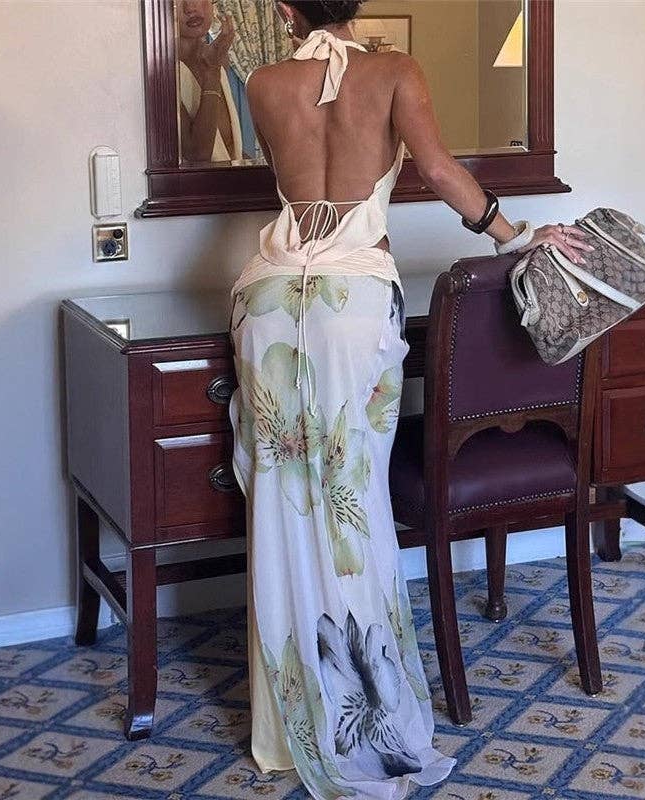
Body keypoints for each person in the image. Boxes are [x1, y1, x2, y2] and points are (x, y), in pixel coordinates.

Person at [227, 2, 593, 798]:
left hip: (268, 299)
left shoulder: (262, 82)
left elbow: (300, 183)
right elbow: (440, 170)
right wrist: (518, 236)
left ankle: (289, 721)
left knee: (285, 498)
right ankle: (364, 709)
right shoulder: (393, 69)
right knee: (351, 495)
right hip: (353, 301)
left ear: (285, 8)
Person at [176, 0, 243, 162]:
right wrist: (212, 71)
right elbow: (198, 156)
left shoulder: (218, 57)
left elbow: (226, 148)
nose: (190, 7)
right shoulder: (164, 73)